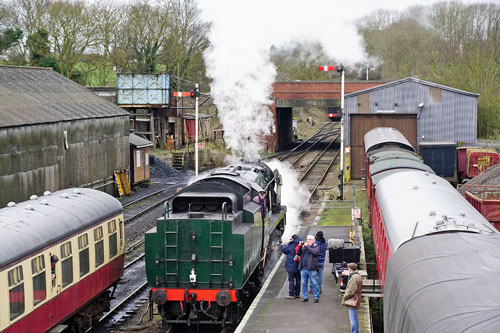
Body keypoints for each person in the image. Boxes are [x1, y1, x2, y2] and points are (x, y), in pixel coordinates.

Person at [298, 235, 320, 303]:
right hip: (303, 268)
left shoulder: (316, 246)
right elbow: (299, 253)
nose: (307, 241)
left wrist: (307, 246)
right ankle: (305, 297)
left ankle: (316, 297)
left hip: (311, 268)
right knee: (304, 283)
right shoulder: (305, 247)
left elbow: (314, 253)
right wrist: (300, 246)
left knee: (314, 283)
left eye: (308, 239)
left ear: (312, 240)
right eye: (307, 239)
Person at [342, 263, 363, 333]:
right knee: (354, 318)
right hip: (356, 299)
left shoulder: (354, 277)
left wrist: (345, 297)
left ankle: (354, 332)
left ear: (350, 269)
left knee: (353, 320)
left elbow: (351, 291)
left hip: (353, 300)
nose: (348, 270)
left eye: (348, 269)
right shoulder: (357, 276)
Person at [281, 234, 302, 299]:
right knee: (298, 280)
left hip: (291, 265)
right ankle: (297, 293)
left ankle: (291, 294)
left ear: (292, 239)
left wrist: (287, 244)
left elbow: (284, 250)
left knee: (291, 280)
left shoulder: (290, 244)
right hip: (299, 265)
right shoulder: (301, 243)